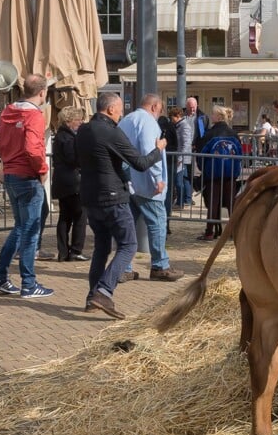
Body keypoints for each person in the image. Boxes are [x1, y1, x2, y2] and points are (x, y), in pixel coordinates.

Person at [77, 92, 165, 320]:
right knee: (129, 245)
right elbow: (140, 162)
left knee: (101, 247)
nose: (121, 113)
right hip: (113, 197)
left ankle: (91, 297)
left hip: (90, 196)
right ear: (110, 110)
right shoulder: (111, 131)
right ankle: (104, 291)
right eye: (119, 109)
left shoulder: (84, 130)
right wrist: (158, 150)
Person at [0, 74, 53, 299]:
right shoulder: (34, 115)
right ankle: (28, 283)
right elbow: (33, 148)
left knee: (19, 227)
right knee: (30, 230)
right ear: (42, 93)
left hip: (11, 174)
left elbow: (3, 143)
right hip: (27, 176)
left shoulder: (7, 112)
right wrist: (43, 170)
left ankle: (0, 277)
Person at [117, 94, 182, 282]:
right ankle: (160, 266)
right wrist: (157, 180)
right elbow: (149, 150)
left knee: (128, 227)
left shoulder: (127, 120)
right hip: (146, 184)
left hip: (128, 182)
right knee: (157, 223)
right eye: (160, 109)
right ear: (154, 107)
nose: (160, 113)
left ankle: (124, 267)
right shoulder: (148, 122)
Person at [196, 105, 241, 241]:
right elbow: (240, 153)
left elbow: (202, 153)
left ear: (219, 117)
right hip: (230, 173)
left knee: (213, 203)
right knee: (231, 203)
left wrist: (203, 168)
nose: (211, 116)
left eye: (213, 114)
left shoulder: (210, 134)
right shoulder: (233, 134)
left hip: (213, 173)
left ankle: (210, 232)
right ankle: (234, 231)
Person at [51, 106, 88, 262]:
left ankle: (63, 251)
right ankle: (75, 250)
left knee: (65, 217)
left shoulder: (60, 136)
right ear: (69, 121)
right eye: (77, 120)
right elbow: (73, 159)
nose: (80, 122)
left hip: (62, 180)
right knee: (79, 215)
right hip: (73, 181)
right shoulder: (68, 138)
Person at [171, 107, 193, 208]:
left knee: (179, 181)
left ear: (177, 116)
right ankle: (186, 200)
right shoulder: (180, 126)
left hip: (182, 158)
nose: (171, 120)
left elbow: (186, 144)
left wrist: (180, 158)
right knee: (184, 179)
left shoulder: (184, 126)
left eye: (172, 118)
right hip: (182, 157)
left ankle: (181, 202)